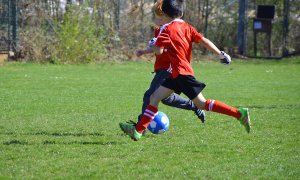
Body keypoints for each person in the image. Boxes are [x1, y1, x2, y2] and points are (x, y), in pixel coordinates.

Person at [120, 0, 251, 141]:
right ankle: (138, 131)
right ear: (181, 13)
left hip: (181, 73)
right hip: (176, 73)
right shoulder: (188, 27)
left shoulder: (166, 28)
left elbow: (159, 51)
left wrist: (153, 44)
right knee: (154, 97)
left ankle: (239, 113)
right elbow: (204, 40)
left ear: (164, 13)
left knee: (201, 103)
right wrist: (220, 53)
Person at [133, 0, 205, 127]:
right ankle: (194, 105)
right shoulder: (159, 30)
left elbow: (165, 49)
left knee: (150, 95)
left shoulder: (171, 29)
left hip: (169, 68)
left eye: (160, 18)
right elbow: (158, 48)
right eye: (156, 18)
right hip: (161, 68)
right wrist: (144, 51)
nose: (158, 21)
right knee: (166, 98)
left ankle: (140, 126)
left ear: (167, 16)